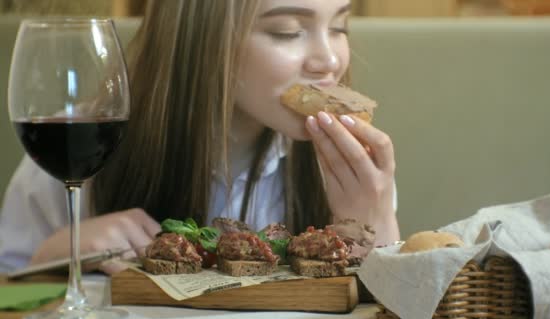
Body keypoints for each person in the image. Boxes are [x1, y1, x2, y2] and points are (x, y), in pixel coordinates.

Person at [0, 0, 400, 274]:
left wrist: (376, 227)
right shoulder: (84, 141)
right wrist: (55, 256)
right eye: (287, 31)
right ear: (199, 38)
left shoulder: (354, 166)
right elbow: (11, 288)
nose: (330, 60)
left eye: (338, 26)